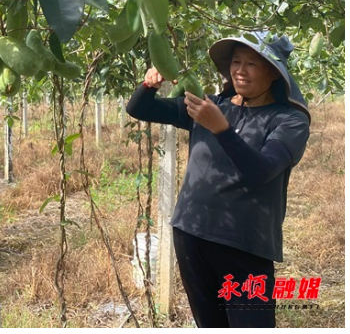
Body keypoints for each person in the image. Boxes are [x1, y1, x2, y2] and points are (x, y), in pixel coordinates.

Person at [126, 32, 311, 328]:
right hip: (191, 234)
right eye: (236, 61)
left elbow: (263, 169)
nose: (240, 69)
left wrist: (221, 129)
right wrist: (149, 86)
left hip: (245, 244)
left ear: (274, 73)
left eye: (252, 63)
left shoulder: (289, 120)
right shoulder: (211, 105)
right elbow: (140, 109)